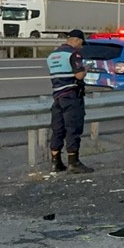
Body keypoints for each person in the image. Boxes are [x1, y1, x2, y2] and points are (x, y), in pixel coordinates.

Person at [47, 29, 93, 173]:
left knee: (58, 129)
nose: (81, 47)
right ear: (77, 40)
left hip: (57, 96)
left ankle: (56, 162)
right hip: (71, 96)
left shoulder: (53, 55)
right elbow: (79, 75)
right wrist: (86, 69)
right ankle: (74, 162)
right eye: (81, 43)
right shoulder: (73, 54)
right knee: (73, 128)